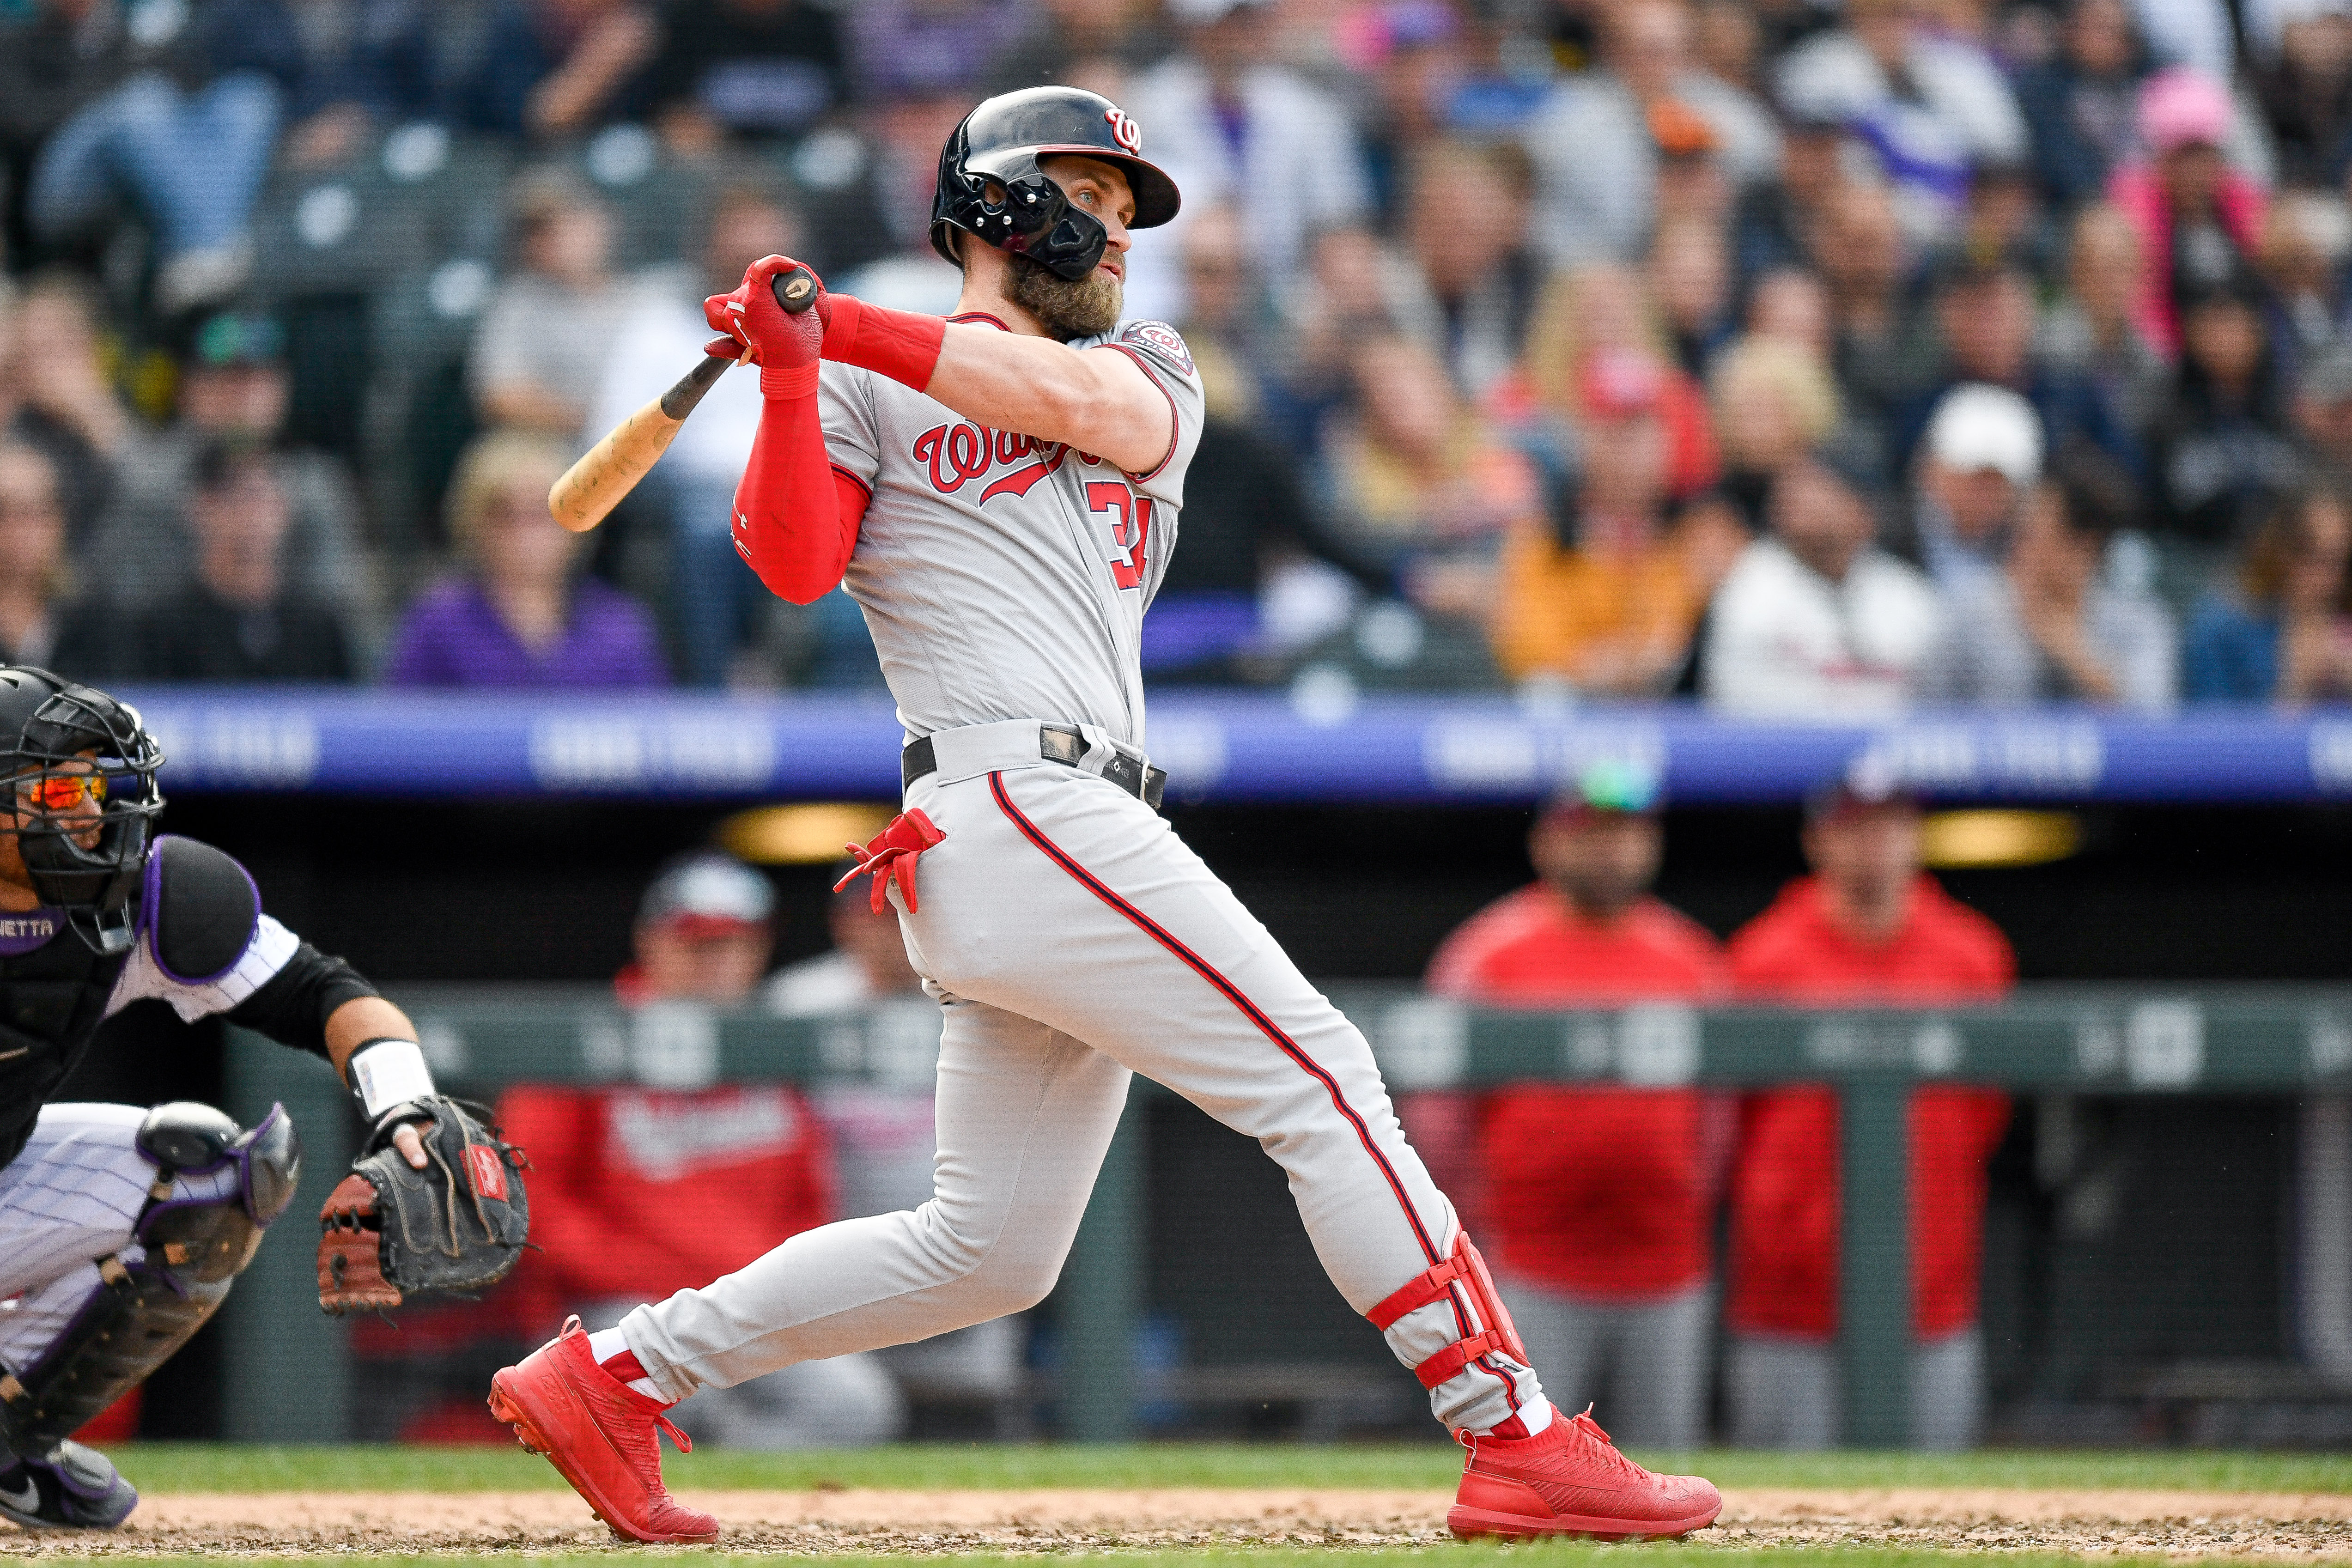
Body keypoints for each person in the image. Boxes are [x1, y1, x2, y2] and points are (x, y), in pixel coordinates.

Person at [486, 84, 1722, 1545]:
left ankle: (614, 1372)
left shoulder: (1148, 363)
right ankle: (1510, 1427)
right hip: (1005, 799)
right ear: (1001, 201)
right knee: (1321, 1081)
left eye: (1130, 204)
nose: (1121, 230)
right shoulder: (857, 382)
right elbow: (798, 565)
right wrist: (786, 372)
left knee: (986, 1250)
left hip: (1047, 818)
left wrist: (847, 330)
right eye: (1097, 193)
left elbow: (1073, 408)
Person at [0, 665, 449, 1525]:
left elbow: (325, 990)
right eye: (57, 787)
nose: (92, 811)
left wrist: (407, 1106)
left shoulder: (137, 898)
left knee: (210, 1174)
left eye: (96, 782)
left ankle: (8, 1436)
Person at [495, 855, 904, 1449]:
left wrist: (776, 1286)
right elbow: (525, 1197)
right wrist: (632, 1268)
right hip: (626, 1303)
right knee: (683, 1406)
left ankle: (737, 1514)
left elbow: (808, 1201)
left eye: (735, 943)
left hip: (747, 1304)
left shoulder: (771, 1044)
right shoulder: (592, 1039)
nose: (719, 962)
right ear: (651, 941)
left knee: (856, 1405)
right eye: (699, 943)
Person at [1425, 760, 1729, 1448]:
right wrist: (1477, 1230)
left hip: (1666, 1266)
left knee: (1665, 1469)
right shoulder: (1489, 950)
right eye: (1588, 831)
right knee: (1533, 1467)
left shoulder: (1689, 957)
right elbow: (1438, 1117)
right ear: (1548, 842)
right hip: (1527, 1265)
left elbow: (1718, 1119)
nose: (1609, 847)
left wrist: (1684, 1192)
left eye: (1624, 831)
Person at [1723, 771, 2014, 1450]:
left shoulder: (1971, 954)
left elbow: (1984, 1115)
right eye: (1854, 825)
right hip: (1788, 1302)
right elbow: (1728, 1123)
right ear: (1817, 839)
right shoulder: (1760, 958)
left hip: (1930, 1298)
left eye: (1890, 822)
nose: (1874, 842)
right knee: (1776, 1527)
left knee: (1936, 1526)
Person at [767, 869, 1027, 1415]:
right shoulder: (795, 1006)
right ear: (847, 926)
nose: (903, 934)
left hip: (965, 1254)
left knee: (979, 1389)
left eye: (916, 918)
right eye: (885, 920)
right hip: (835, 1254)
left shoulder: (995, 994)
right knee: (845, 1400)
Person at [582, 182, 808, 687]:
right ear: (708, 246)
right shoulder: (660, 326)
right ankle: (714, 695)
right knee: (711, 527)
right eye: (743, 245)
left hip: (801, 491)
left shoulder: (820, 331)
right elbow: (615, 440)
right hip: (693, 494)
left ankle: (821, 708)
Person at [88, 311, 365, 617]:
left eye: (259, 379)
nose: (245, 397)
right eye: (228, 381)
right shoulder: (149, 484)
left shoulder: (315, 487)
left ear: (282, 391)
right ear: (192, 390)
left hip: (283, 656)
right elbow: (125, 601)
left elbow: (336, 613)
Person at [1121, 0, 1372, 324]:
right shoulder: (1146, 103)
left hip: (1288, 292)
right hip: (1178, 288)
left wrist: (1337, 280)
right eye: (1225, 24)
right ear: (1194, 28)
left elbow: (1338, 217)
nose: (1235, 37)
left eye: (1246, 22)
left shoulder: (1308, 110)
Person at [1490, 348, 1723, 693]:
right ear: (1584, 440)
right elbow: (1529, 654)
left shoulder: (1701, 532)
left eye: (1641, 429)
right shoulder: (1546, 539)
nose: (1627, 450)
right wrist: (1597, 666)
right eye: (1610, 430)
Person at [385, 430, 667, 689]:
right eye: (508, 515)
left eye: (545, 515)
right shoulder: (439, 624)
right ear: (475, 522)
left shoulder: (619, 628)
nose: (527, 534)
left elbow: (654, 731)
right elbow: (402, 731)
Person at [1916, 444, 2179, 709]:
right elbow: (1919, 718)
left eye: (2036, 535)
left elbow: (2153, 725)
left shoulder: (2140, 624)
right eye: (2019, 532)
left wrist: (2069, 647)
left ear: (2084, 545)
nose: (2019, 548)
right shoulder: (1973, 616)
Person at [1519, 0, 1778, 266]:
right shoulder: (1567, 119)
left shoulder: (1723, 110)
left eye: (1677, 50)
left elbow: (1764, 156)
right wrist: (1650, 205)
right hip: (1597, 269)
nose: (1665, 64)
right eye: (1651, 51)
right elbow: (1540, 225)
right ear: (1615, 52)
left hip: (1700, 268)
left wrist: (1721, 186)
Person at [1704, 441, 1944, 717]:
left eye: (1821, 486)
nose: (1801, 498)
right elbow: (1736, 710)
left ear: (1863, 511)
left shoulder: (1911, 598)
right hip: (1782, 755)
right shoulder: (1750, 586)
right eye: (1796, 488)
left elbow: (1936, 714)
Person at [1773, 0, 2028, 236]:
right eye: (1880, 14)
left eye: (1901, 14)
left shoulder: (1961, 67)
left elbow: (2005, 155)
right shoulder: (1815, 69)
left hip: (1964, 226)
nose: (1892, 26)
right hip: (1870, 227)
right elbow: (1828, 166)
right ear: (1854, 15)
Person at [121, 439, 354, 683]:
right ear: (201, 507)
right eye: (241, 496)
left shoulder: (320, 628)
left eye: (266, 496)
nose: (257, 514)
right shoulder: (161, 629)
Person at [2109, 67, 2268, 360]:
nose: (2195, 171)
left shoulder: (2244, 208)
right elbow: (2142, 308)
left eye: (2204, 155)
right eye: (2184, 158)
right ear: (2161, 159)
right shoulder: (2135, 220)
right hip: (2171, 365)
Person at [470, 172, 640, 440]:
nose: (543, 244)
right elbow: (501, 397)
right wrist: (606, 419)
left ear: (599, 225)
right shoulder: (519, 301)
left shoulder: (650, 298)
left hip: (651, 445)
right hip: (555, 446)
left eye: (556, 229)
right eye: (533, 234)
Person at [2184, 483, 2352, 699]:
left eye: (2339, 563)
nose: (2325, 578)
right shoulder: (2219, 629)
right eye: (2310, 557)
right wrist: (2295, 685)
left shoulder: (2345, 630)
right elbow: (2209, 726)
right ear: (2278, 549)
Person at [1902, 383, 2044, 587]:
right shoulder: (1887, 539)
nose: (1984, 496)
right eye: (1973, 478)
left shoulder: (2030, 560)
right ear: (1933, 469)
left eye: (1998, 483)